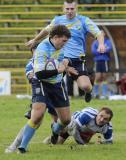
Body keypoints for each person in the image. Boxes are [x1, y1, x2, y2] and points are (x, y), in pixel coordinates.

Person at [26, 0, 106, 103]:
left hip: (76, 59)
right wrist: (35, 40)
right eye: (67, 9)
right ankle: (34, 106)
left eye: (72, 9)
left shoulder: (84, 21)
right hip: (59, 58)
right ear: (63, 9)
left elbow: (98, 33)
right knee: (43, 80)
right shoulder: (58, 20)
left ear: (76, 8)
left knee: (86, 86)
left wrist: (101, 44)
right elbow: (46, 30)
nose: (69, 11)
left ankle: (89, 91)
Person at [15, 25, 78, 153]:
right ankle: (22, 147)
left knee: (66, 120)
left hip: (57, 84)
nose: (65, 44)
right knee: (37, 116)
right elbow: (39, 74)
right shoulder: (42, 49)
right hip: (41, 83)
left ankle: (55, 129)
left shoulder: (61, 46)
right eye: (64, 41)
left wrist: (66, 64)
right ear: (55, 38)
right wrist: (58, 69)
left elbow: (65, 59)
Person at [91, 30, 112, 99]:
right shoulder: (95, 42)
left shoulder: (107, 41)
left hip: (105, 60)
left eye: (102, 33)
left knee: (104, 76)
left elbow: (109, 48)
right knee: (98, 77)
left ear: (104, 34)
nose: (101, 34)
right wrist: (102, 50)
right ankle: (96, 93)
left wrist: (101, 50)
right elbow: (93, 51)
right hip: (97, 61)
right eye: (99, 33)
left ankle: (104, 94)